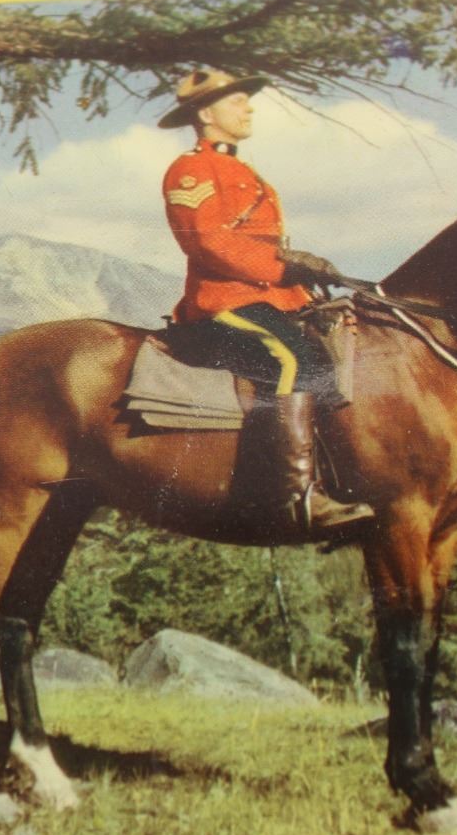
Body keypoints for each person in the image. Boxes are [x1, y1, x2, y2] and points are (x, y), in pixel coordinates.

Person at [158, 69, 374, 534]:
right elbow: (209, 243)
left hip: (271, 299)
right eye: (237, 101)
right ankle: (297, 496)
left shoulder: (244, 171)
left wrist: (300, 274)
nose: (248, 108)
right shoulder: (191, 170)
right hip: (223, 303)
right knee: (294, 357)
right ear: (205, 113)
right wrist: (282, 268)